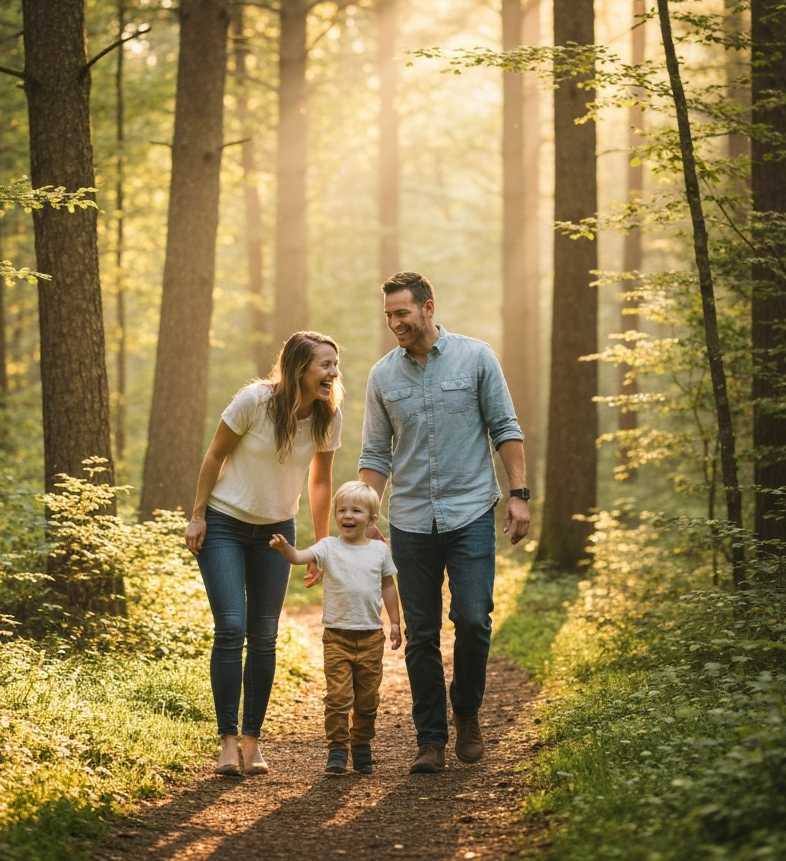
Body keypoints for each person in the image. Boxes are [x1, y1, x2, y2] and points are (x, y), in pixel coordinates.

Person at [358, 272, 530, 775]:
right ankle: (430, 738)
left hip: (471, 511)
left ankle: (468, 712)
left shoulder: (477, 358)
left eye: (402, 314)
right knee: (422, 634)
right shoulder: (382, 376)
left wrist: (518, 494)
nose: (394, 324)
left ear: (428, 308)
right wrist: (367, 514)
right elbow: (374, 453)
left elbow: (506, 428)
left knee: (473, 621)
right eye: (388, 315)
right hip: (410, 520)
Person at [184, 331, 343, 777]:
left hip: (277, 532)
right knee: (232, 626)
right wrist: (198, 515)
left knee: (265, 634)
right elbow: (214, 456)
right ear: (298, 369)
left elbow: (320, 482)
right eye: (324, 365)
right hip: (225, 526)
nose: (333, 373)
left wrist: (318, 546)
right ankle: (228, 744)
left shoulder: (328, 416)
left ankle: (252, 742)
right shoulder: (253, 401)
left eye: (335, 364)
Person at [269, 480, 401, 776]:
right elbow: (300, 557)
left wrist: (395, 622)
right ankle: (337, 750)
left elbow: (388, 586)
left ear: (371, 519)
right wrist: (284, 547)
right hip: (337, 637)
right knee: (338, 698)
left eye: (356, 510)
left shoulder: (380, 551)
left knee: (367, 700)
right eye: (341, 510)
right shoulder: (328, 546)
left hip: (370, 637)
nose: (347, 516)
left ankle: (362, 746)